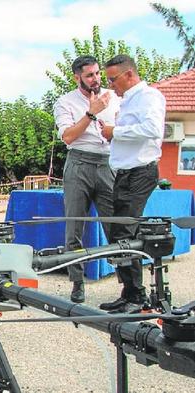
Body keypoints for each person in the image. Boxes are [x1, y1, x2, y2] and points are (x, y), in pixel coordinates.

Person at [100, 54, 166, 313]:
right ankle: (129, 292)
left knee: (125, 233)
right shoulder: (128, 101)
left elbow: (152, 130)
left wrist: (115, 131)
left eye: (114, 79)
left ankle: (136, 297)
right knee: (122, 232)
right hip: (125, 172)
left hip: (140, 171)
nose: (111, 85)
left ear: (129, 74)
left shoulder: (149, 97)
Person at [53, 56, 120, 303]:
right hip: (79, 162)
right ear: (77, 77)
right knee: (74, 228)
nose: (95, 79)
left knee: (114, 225)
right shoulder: (65, 102)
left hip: (107, 162)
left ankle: (127, 286)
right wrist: (91, 114)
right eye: (89, 75)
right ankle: (77, 283)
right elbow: (68, 137)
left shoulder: (114, 98)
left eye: (97, 74)